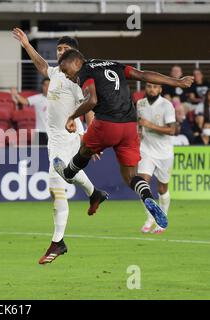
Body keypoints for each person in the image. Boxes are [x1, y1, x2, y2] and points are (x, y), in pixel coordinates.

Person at [54, 49, 194, 233]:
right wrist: (177, 81)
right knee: (130, 176)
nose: (67, 75)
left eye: (66, 70)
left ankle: (69, 172)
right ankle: (147, 196)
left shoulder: (85, 71)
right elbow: (143, 75)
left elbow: (92, 99)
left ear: (76, 62)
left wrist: (72, 117)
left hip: (107, 123)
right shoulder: (113, 64)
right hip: (129, 125)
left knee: (85, 148)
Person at [12, 28, 108, 265]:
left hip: (68, 136)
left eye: (65, 49)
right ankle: (94, 193)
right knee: (63, 179)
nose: (61, 52)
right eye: (59, 49)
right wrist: (26, 44)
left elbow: (90, 107)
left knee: (57, 185)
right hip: (53, 139)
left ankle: (58, 242)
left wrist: (92, 139)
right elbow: (41, 64)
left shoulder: (78, 79)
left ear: (75, 54)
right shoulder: (55, 72)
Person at [137, 83, 176, 234]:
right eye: (149, 86)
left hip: (164, 152)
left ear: (160, 89)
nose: (152, 89)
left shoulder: (167, 105)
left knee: (162, 188)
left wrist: (149, 125)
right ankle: (150, 218)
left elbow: (172, 130)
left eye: (155, 87)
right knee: (142, 184)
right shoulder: (140, 103)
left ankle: (162, 219)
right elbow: (139, 123)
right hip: (146, 149)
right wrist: (139, 131)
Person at [11, 78, 49, 145]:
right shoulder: (38, 98)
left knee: (54, 154)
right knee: (37, 154)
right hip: (39, 132)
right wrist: (16, 94)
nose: (47, 87)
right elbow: (25, 101)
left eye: (49, 85)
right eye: (45, 85)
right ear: (42, 86)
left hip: (53, 133)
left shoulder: (57, 99)